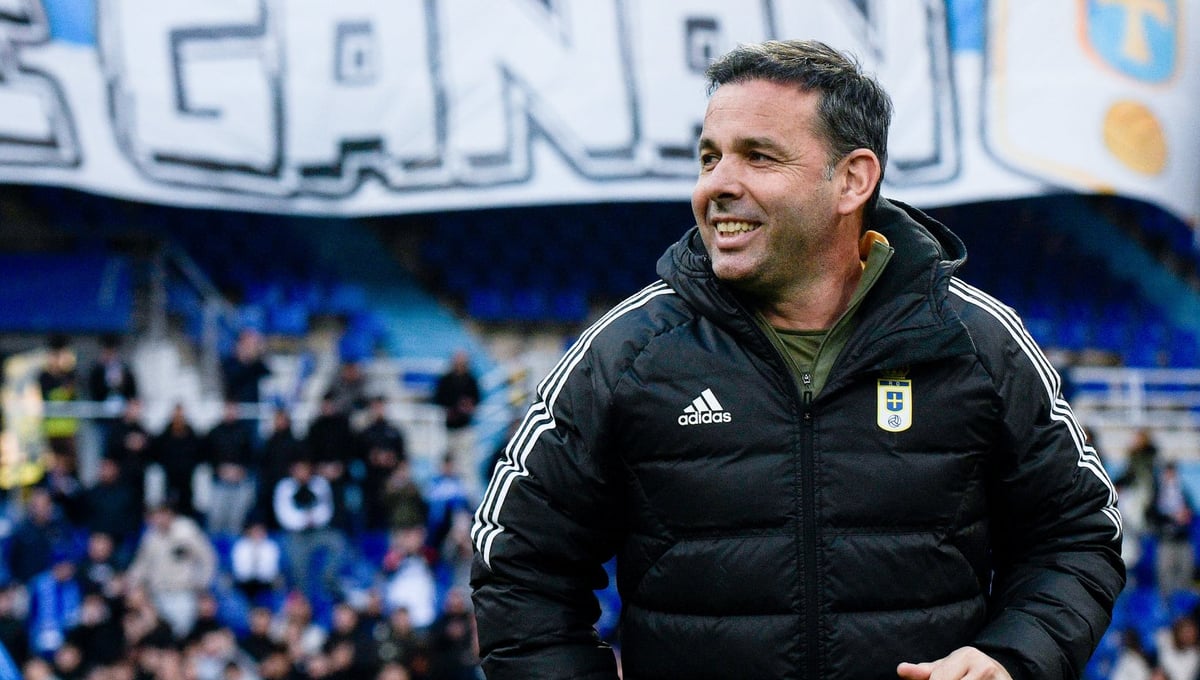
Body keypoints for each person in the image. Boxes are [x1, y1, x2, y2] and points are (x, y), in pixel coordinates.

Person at [470, 39, 1124, 679]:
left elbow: (1077, 534)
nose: (718, 184)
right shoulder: (625, 353)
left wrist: (1011, 658)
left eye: (758, 157)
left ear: (852, 180)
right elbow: (518, 562)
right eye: (709, 157)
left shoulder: (977, 341)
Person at [125, 502, 217, 640]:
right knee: (158, 635)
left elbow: (208, 558)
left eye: (161, 514)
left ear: (169, 514)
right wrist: (130, 582)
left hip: (182, 593)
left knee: (180, 635)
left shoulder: (187, 531)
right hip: (156, 594)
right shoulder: (150, 536)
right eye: (154, 515)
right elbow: (141, 565)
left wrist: (202, 585)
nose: (158, 519)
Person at [432, 350, 481, 490]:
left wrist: (468, 407)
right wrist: (452, 409)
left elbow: (477, 400)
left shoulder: (471, 380)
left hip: (465, 428)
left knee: (466, 465)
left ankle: (467, 494)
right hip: (448, 429)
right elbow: (438, 399)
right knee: (446, 463)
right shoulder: (446, 380)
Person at [1146, 460, 1196, 596]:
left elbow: (1191, 512)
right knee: (1165, 576)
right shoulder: (1157, 493)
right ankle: (1167, 605)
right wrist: (1172, 517)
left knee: (1185, 573)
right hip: (1165, 540)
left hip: (1182, 539)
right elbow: (1151, 515)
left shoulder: (1183, 492)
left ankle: (1183, 604)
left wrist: (1186, 515)